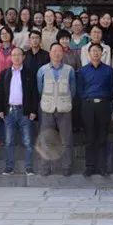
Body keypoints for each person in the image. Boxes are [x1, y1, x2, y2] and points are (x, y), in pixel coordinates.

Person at [35, 43, 76, 176]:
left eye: (59, 51)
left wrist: (64, 100)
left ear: (63, 53)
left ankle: (67, 167)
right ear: (50, 53)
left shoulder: (69, 70)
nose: (57, 53)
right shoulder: (42, 70)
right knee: (45, 140)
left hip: (64, 109)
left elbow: (73, 89)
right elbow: (40, 89)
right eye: (54, 51)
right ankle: (45, 168)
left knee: (66, 140)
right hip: (47, 109)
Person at [0, 47, 38, 176]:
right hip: (9, 111)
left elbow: (34, 93)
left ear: (23, 57)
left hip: (25, 111)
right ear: (10, 57)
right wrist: (0, 109)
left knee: (28, 142)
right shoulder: (5, 73)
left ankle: (29, 167)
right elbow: (0, 93)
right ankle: (9, 167)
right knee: (9, 142)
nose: (16, 57)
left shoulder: (30, 73)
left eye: (19, 55)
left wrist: (33, 110)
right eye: (13, 55)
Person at [77, 43, 113, 176]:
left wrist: (105, 100)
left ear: (102, 53)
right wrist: (87, 99)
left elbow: (112, 89)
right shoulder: (83, 71)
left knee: (102, 137)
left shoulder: (108, 70)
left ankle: (102, 167)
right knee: (89, 137)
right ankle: (90, 166)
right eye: (93, 51)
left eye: (98, 51)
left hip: (104, 105)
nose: (95, 53)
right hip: (88, 106)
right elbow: (80, 89)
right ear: (89, 54)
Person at [0, 26, 15, 147]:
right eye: (2, 33)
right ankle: (0, 138)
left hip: (13, 84)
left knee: (10, 110)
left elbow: (17, 64)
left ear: (11, 35)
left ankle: (10, 137)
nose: (4, 35)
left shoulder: (15, 50)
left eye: (7, 33)